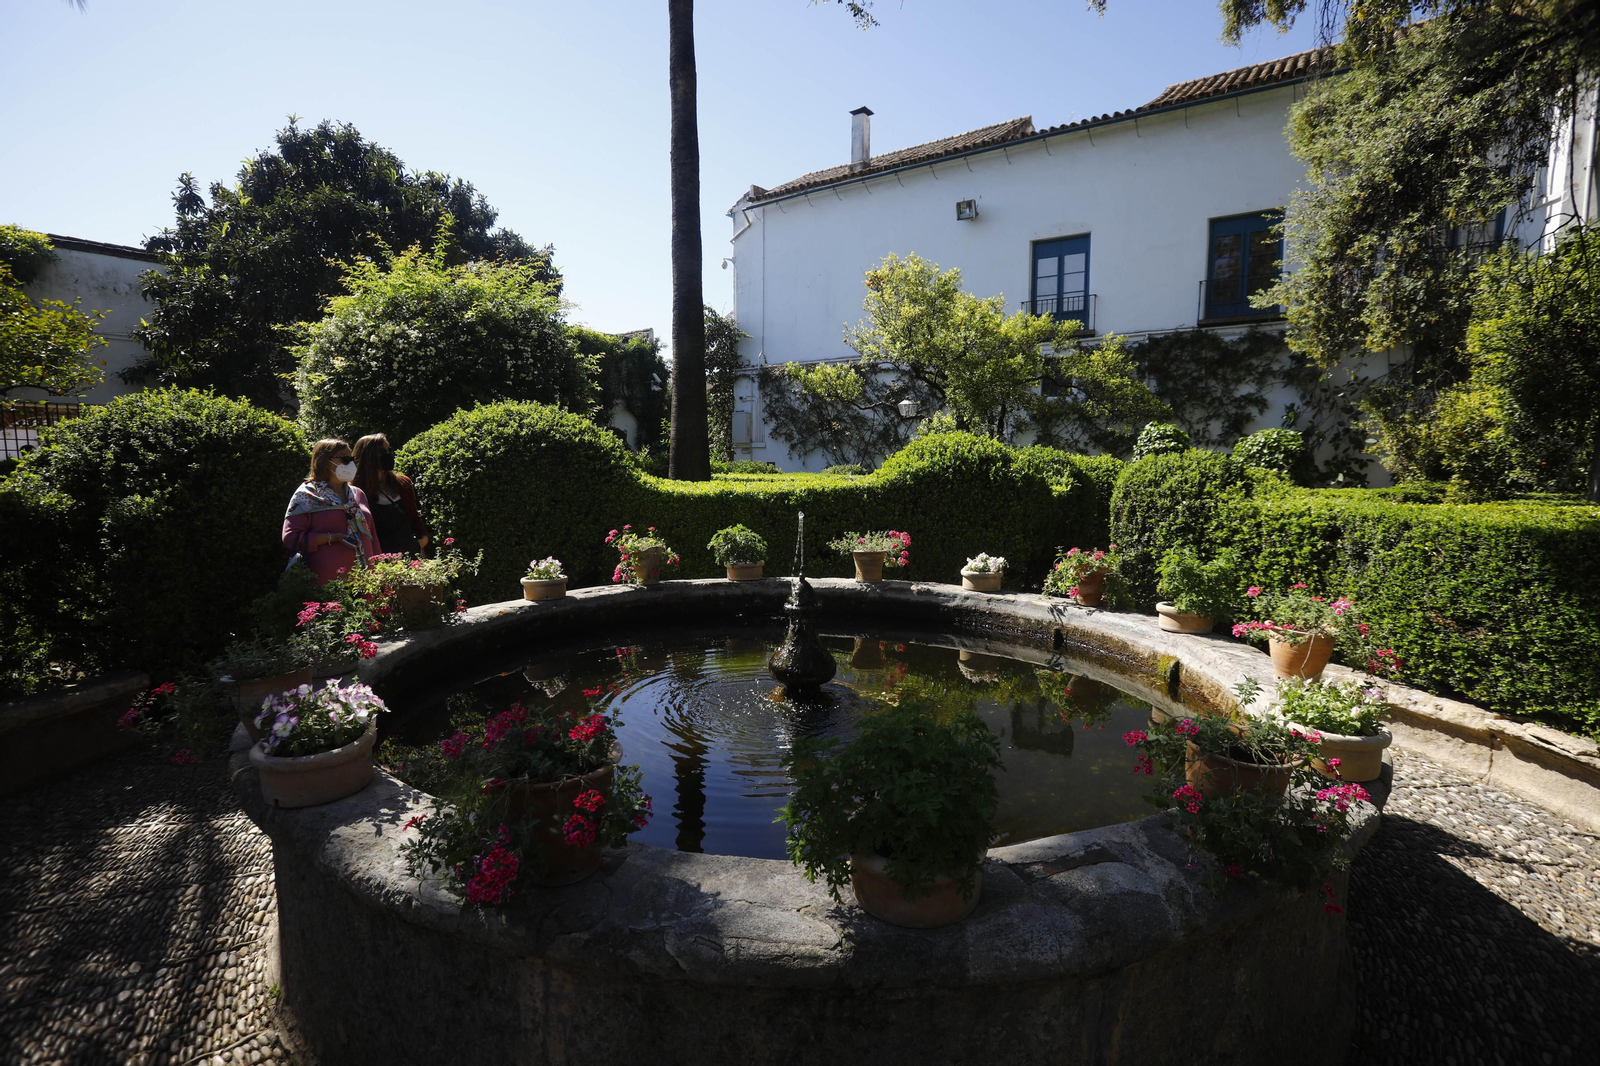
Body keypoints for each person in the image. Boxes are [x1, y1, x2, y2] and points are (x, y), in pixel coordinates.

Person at [282, 439, 380, 585]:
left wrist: (380, 569)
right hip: (328, 584)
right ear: (325, 461)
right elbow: (291, 538)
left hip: (367, 581)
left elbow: (371, 535)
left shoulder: (357, 494)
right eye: (344, 459)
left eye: (351, 459)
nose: (350, 464)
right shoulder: (306, 495)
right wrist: (332, 538)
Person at [351, 433, 429, 556]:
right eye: (382, 451)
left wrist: (422, 541)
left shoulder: (403, 483)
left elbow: (414, 517)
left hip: (412, 558)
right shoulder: (355, 492)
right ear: (368, 457)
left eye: (389, 450)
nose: (388, 455)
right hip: (380, 563)